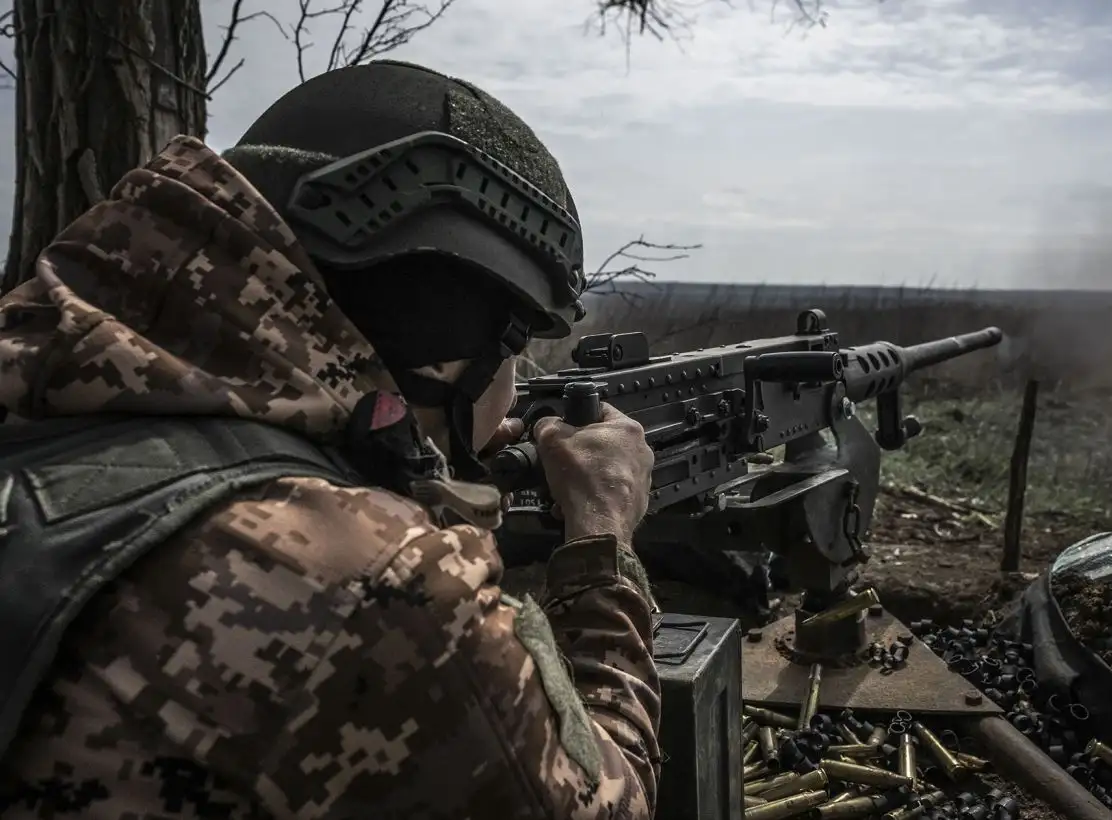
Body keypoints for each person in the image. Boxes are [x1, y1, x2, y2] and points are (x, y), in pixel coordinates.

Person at [0, 60, 660, 819]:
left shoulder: (43, 389)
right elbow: (606, 806)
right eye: (514, 355)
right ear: (447, 352)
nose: (515, 385)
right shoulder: (377, 581)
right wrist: (604, 534)